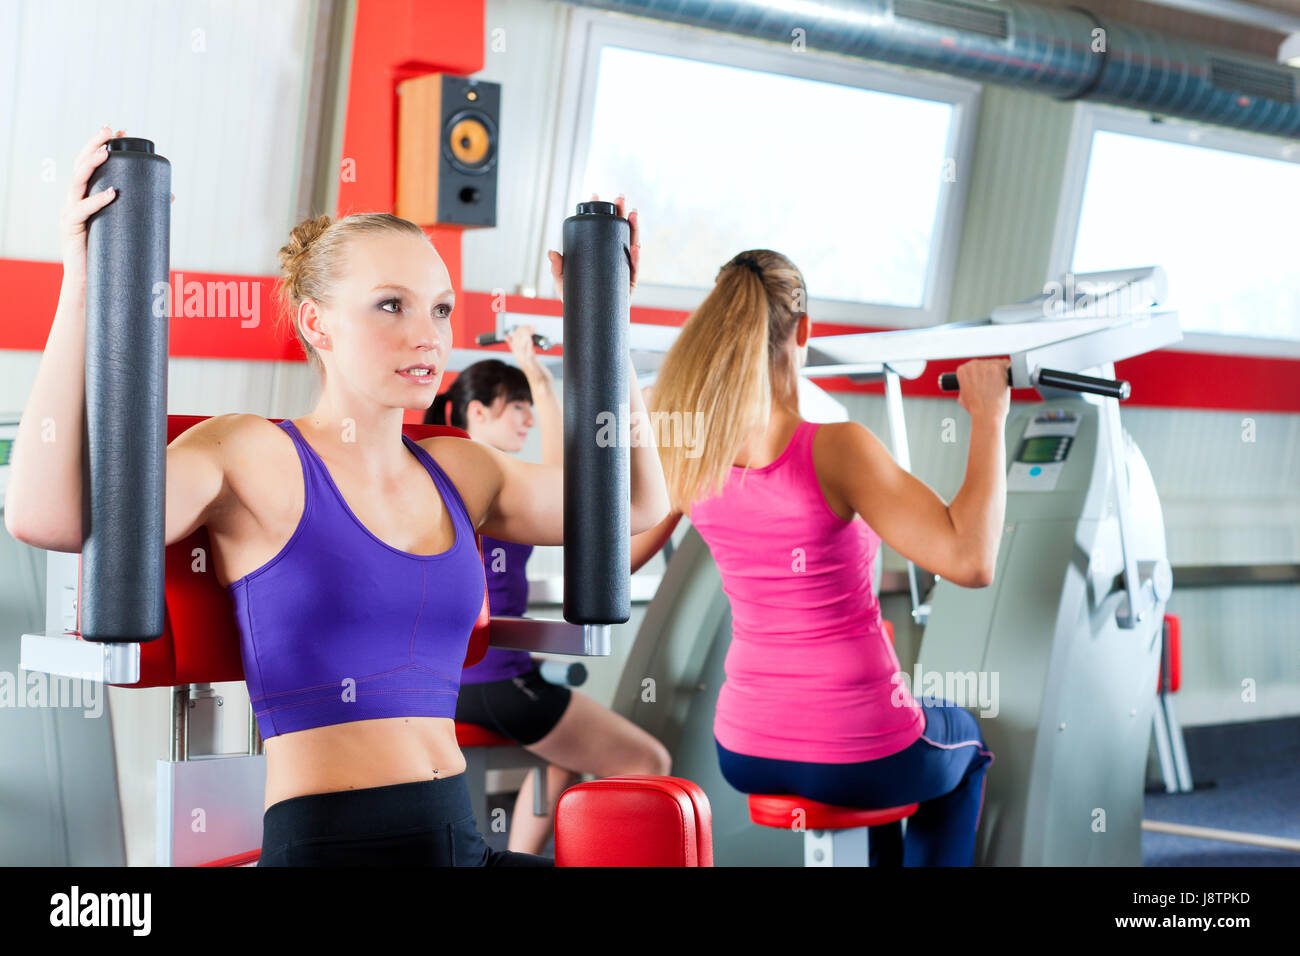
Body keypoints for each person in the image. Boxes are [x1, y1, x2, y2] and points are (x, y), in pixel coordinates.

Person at [5, 126, 670, 867]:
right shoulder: (252, 455)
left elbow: (633, 508)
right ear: (316, 323)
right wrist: (84, 281)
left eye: (442, 309)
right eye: (391, 306)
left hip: (458, 841)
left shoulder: (462, 469)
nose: (428, 336)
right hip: (336, 849)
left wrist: (607, 327)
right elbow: (44, 515)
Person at [629, 249, 1006, 867]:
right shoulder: (837, 449)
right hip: (858, 745)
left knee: (881, 782)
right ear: (804, 331)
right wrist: (988, 419)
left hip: (746, 748)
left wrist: (644, 423)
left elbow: (617, 563)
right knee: (969, 747)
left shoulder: (690, 455)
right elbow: (971, 558)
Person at [425, 342, 671, 855]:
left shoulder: (441, 476)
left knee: (561, 758)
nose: (529, 419)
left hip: (453, 684)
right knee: (649, 764)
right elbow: (571, 483)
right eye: (516, 406)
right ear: (476, 412)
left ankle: (525, 857)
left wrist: (536, 375)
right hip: (497, 683)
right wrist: (535, 372)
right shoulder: (490, 480)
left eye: (529, 406)